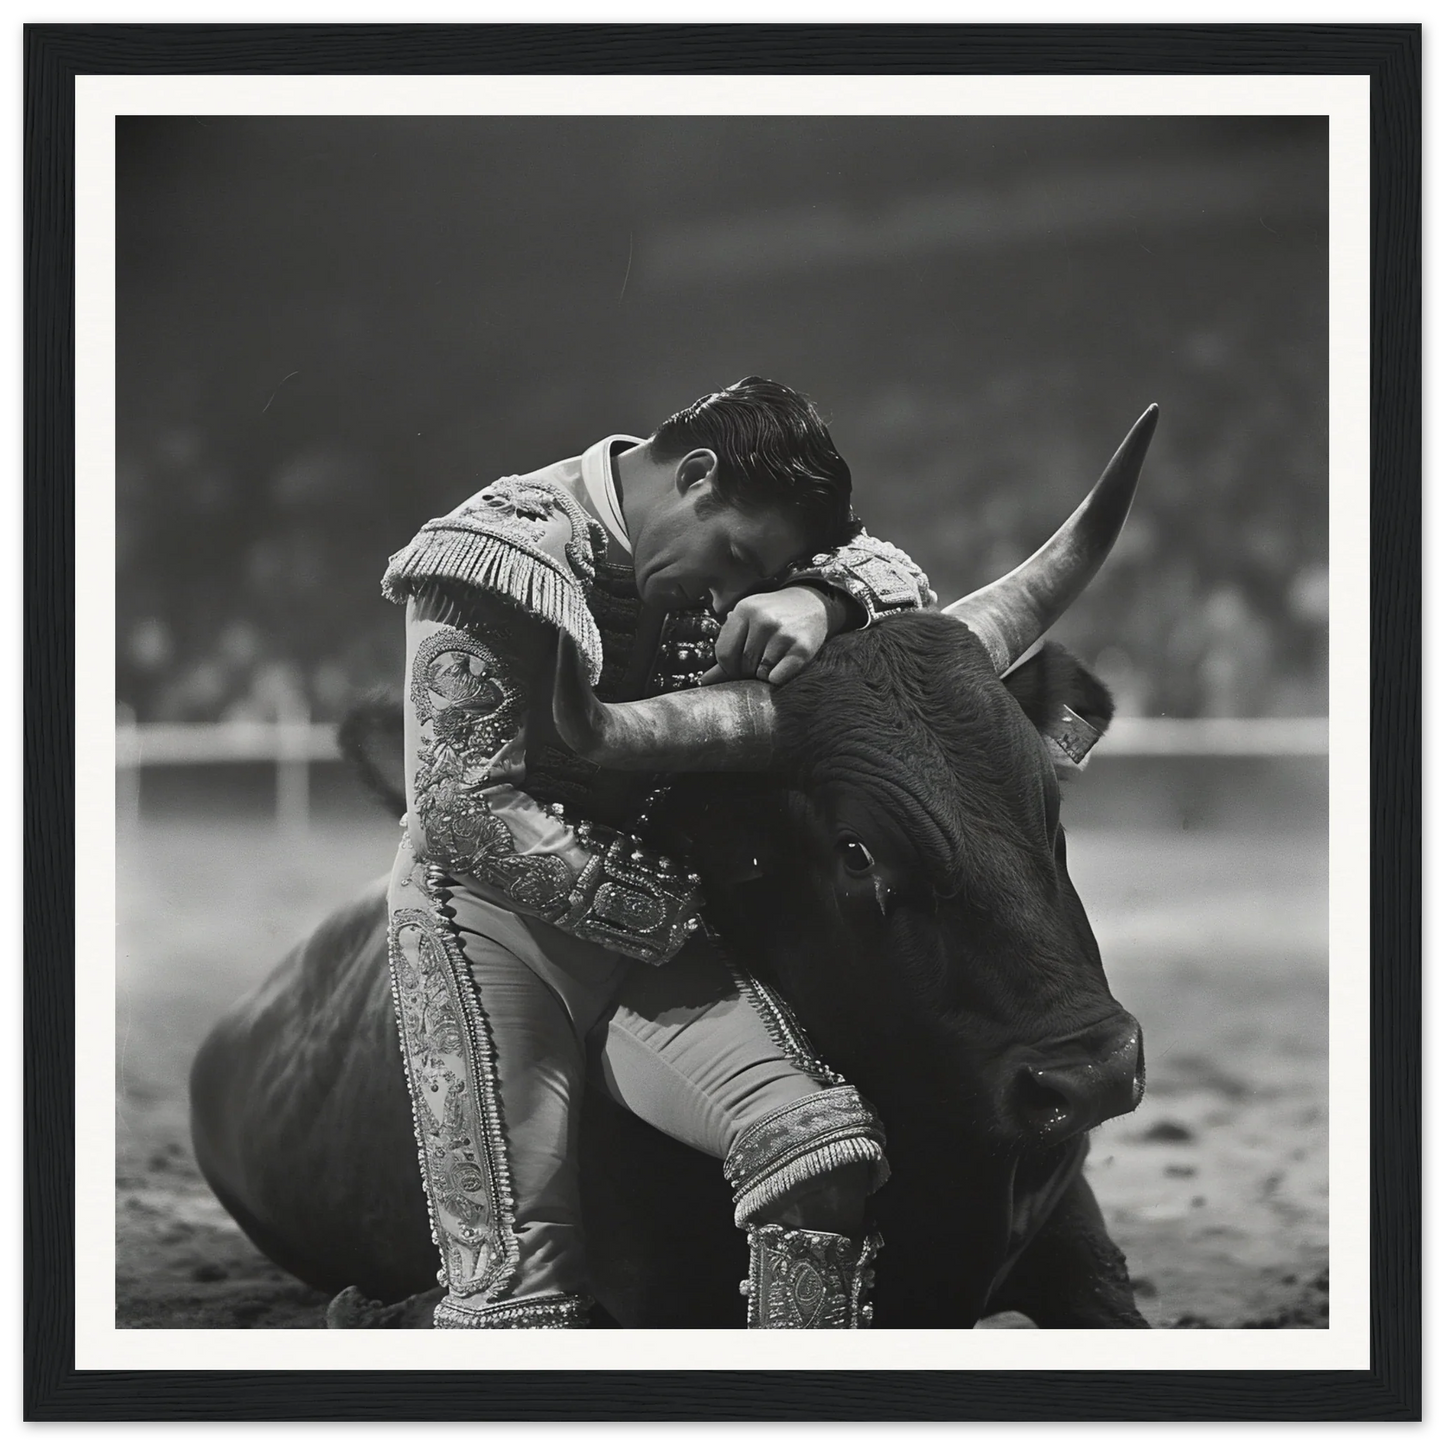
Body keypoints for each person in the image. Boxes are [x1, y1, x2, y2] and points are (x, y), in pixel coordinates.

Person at [378, 377, 936, 1329]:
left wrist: (818, 598)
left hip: (645, 921)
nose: (728, 596)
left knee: (823, 1152)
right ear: (698, 477)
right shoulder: (501, 543)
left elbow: (905, 582)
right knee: (518, 1296)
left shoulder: (750, 552)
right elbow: (461, 808)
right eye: (734, 557)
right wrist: (678, 914)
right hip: (480, 922)